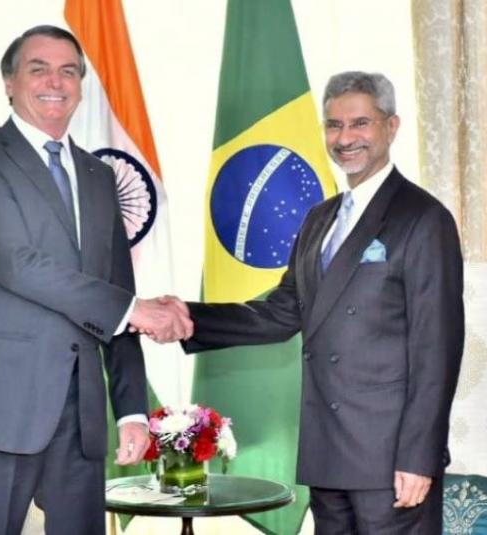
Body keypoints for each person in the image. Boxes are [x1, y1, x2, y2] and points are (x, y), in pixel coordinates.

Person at [175, 71, 464, 534]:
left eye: (360, 123)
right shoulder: (319, 219)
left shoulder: (424, 218)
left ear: (391, 127)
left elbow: (438, 350)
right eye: (334, 125)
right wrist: (186, 318)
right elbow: (280, 313)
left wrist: (419, 457)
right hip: (327, 453)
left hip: (391, 460)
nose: (345, 138)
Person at [0, 25, 191, 534]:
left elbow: (116, 290)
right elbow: (18, 264)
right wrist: (137, 311)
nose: (56, 82)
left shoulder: (99, 176)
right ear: (9, 82)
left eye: (69, 71)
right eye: (39, 69)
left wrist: (131, 411)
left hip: (80, 417)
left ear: (80, 85)